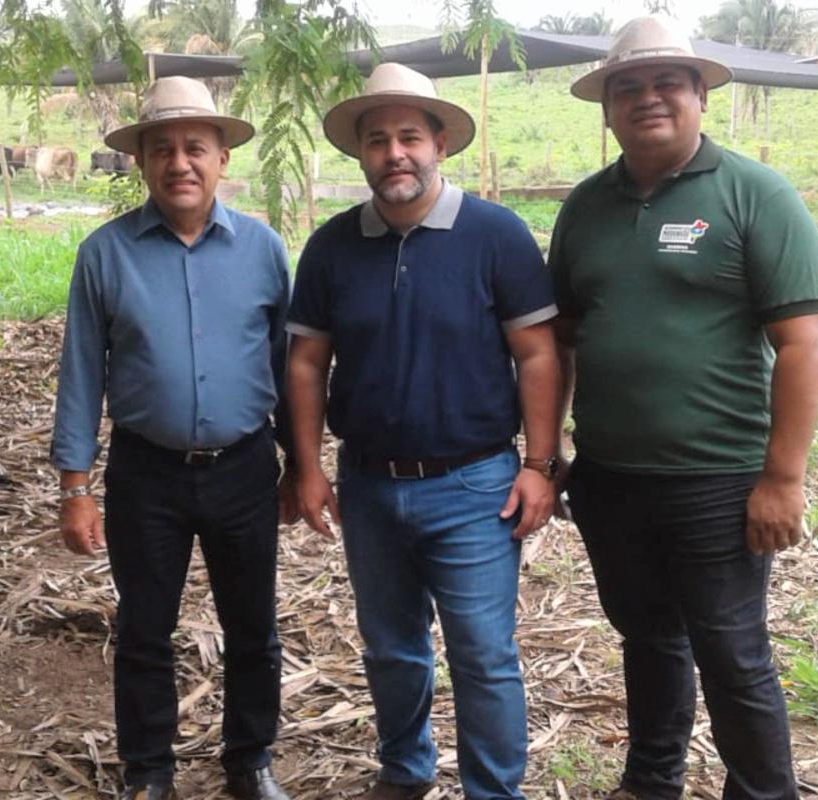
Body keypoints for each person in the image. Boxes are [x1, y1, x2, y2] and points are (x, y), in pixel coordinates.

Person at [550, 16, 818, 800]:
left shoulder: (756, 195)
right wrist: (553, 453)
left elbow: (803, 346)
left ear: (700, 94)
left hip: (718, 478)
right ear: (606, 107)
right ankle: (651, 782)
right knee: (648, 638)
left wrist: (783, 477)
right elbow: (562, 339)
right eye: (628, 87)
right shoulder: (586, 208)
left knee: (733, 651)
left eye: (668, 82)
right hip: (609, 477)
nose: (648, 99)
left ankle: (764, 791)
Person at [284, 62, 562, 800]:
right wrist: (307, 466)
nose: (395, 153)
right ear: (361, 153)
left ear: (440, 142)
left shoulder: (495, 234)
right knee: (393, 650)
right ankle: (404, 773)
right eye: (378, 140)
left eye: (410, 136)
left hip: (476, 485)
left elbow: (536, 352)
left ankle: (492, 791)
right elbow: (307, 362)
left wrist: (540, 463)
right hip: (370, 485)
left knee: (482, 655)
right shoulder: (333, 245)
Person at [51, 76, 298, 800]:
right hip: (144, 473)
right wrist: (75, 486)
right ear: (142, 162)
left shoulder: (262, 249)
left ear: (223, 159)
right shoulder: (105, 255)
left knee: (253, 625)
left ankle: (250, 761)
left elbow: (287, 366)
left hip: (245, 468)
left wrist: (301, 463)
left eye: (196, 147)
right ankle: (149, 772)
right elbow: (81, 373)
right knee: (144, 628)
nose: (179, 163)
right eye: (163, 149)